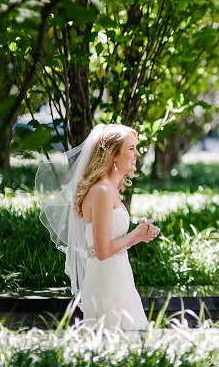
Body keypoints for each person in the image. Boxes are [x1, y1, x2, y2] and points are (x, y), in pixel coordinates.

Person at [38, 124, 160, 330]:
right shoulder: (102, 191)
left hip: (119, 277)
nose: (137, 154)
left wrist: (139, 236)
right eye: (131, 148)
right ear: (113, 155)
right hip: (107, 283)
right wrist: (135, 233)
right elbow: (102, 251)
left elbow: (111, 244)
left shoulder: (110, 189)